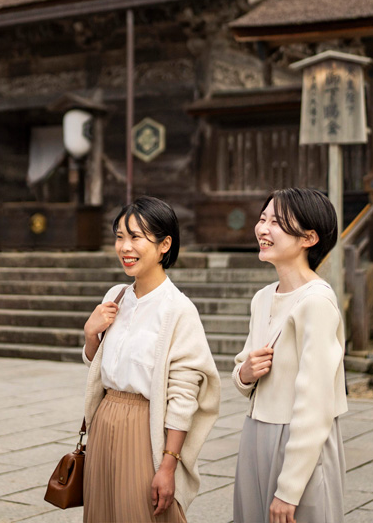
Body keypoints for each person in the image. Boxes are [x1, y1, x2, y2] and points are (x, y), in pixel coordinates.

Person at [80, 196, 220, 523]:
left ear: (164, 245)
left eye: (136, 237)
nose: (125, 247)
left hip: (145, 428)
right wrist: (90, 334)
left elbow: (184, 396)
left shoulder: (178, 309)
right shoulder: (115, 297)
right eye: (119, 237)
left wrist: (168, 466)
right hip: (104, 420)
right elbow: (99, 366)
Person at [233, 187, 346, 523]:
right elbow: (243, 368)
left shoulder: (316, 302)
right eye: (262, 219)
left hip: (300, 441)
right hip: (255, 432)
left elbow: (316, 404)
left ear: (308, 238)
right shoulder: (263, 298)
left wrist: (290, 488)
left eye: (277, 222)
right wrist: (245, 373)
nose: (263, 229)